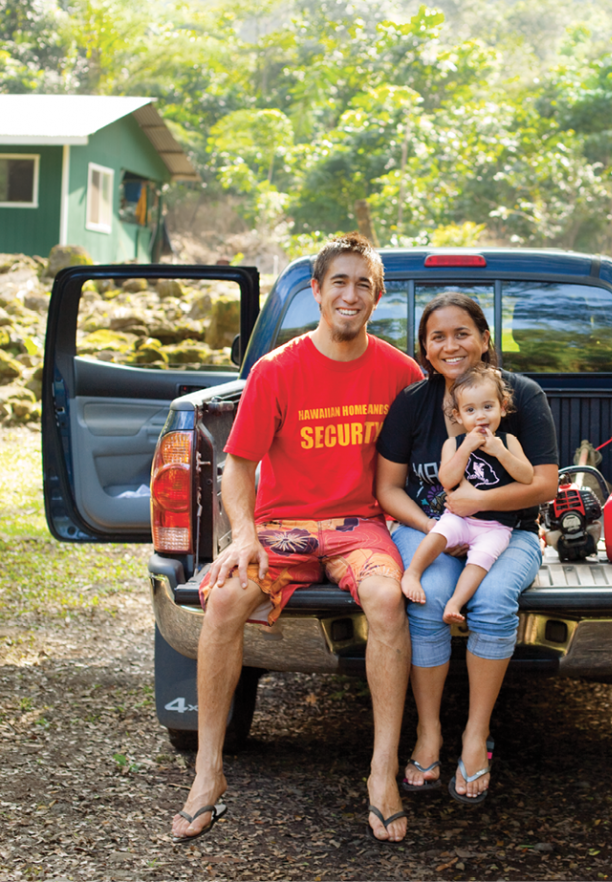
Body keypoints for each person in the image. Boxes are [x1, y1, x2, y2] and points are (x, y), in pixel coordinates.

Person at [170, 234, 423, 845]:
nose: (351, 294)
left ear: (378, 297)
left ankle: (382, 772)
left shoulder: (400, 372)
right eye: (339, 281)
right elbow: (238, 465)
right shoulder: (277, 370)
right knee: (226, 597)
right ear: (316, 290)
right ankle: (208, 773)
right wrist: (244, 536)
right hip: (284, 529)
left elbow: (433, 449)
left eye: (364, 284)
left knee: (388, 601)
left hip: (360, 526)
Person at [376, 293, 559, 804]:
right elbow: (388, 489)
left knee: (494, 601)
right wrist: (440, 522)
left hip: (509, 532)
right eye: (438, 336)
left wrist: (477, 506)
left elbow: (544, 485)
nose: (451, 345)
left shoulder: (520, 396)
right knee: (428, 598)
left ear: (484, 340)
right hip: (429, 527)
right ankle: (430, 732)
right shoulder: (414, 401)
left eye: (463, 333)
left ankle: (476, 737)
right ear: (425, 349)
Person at [400, 364, 533, 625]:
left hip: (496, 526)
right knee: (439, 533)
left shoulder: (508, 441)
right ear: (458, 416)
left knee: (482, 560)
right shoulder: (454, 444)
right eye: (470, 410)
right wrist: (466, 448)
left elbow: (527, 476)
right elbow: (447, 480)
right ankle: (412, 574)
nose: (480, 416)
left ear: (502, 407)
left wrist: (500, 452)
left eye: (487, 407)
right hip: (460, 518)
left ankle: (456, 602)